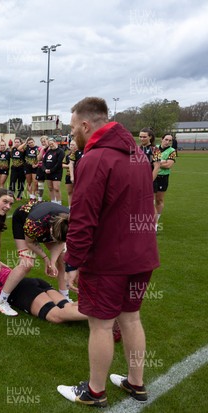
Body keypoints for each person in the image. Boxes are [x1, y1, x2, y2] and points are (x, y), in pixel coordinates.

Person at [57, 97, 159, 407]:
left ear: (86, 125)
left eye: (74, 128)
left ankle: (94, 390)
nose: (73, 134)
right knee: (131, 319)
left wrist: (72, 261)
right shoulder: (137, 153)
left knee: (101, 324)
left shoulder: (95, 158)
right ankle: (136, 383)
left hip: (109, 259)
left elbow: (83, 217)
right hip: (141, 254)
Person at [0, 200, 70, 316]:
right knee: (27, 264)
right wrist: (46, 259)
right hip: (23, 221)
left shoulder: (70, 221)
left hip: (48, 224)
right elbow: (30, 242)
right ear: (51, 230)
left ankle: (64, 298)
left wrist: (52, 262)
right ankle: (1, 300)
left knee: (63, 259)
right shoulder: (34, 224)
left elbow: (60, 243)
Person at [0, 260, 87, 323]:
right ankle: (98, 304)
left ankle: (99, 312)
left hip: (22, 289)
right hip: (33, 282)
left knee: (55, 316)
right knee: (67, 306)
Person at [153, 134, 177, 230]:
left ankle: (156, 221)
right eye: (166, 139)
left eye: (170, 140)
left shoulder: (172, 151)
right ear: (162, 139)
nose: (167, 142)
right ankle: (152, 221)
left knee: (159, 200)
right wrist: (162, 161)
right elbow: (149, 161)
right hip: (153, 176)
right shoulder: (155, 148)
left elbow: (168, 165)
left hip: (163, 178)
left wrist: (157, 163)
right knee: (150, 200)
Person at [43, 137, 65, 204]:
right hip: (48, 172)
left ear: (55, 142)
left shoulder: (60, 151)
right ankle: (53, 202)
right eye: (49, 144)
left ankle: (58, 203)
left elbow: (59, 163)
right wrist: (44, 169)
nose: (51, 145)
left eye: (52, 143)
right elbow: (43, 161)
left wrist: (51, 170)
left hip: (56, 172)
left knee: (56, 188)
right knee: (50, 188)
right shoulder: (49, 152)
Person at [63, 140, 82, 206]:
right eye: (70, 145)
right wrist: (69, 166)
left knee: (78, 193)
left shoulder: (81, 152)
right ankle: (70, 207)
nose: (71, 146)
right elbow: (64, 165)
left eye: (73, 145)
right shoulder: (69, 155)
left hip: (79, 175)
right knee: (69, 192)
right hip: (69, 175)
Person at [36, 136, 49, 201]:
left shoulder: (51, 149)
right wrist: (42, 150)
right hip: (41, 167)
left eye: (44, 141)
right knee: (40, 184)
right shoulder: (40, 149)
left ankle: (54, 200)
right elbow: (39, 158)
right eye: (42, 142)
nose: (43, 143)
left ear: (47, 141)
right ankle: (39, 199)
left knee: (51, 185)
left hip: (48, 168)